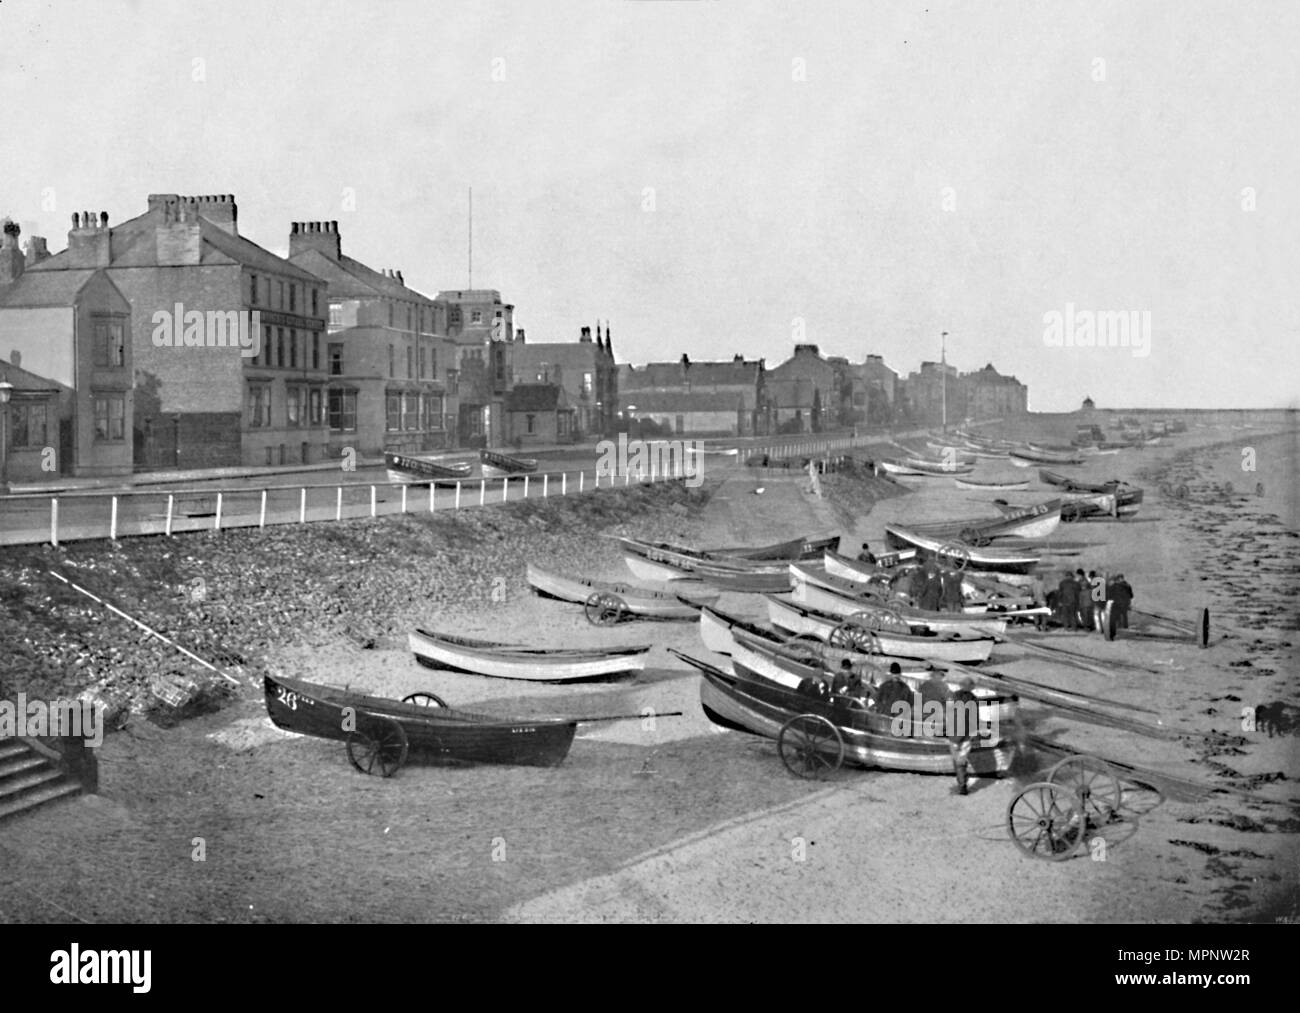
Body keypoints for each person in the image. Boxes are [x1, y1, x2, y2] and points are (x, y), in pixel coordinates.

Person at [947, 675, 980, 795]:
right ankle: (962, 784)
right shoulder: (974, 699)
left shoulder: (953, 696)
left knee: (956, 759)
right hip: (966, 735)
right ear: (971, 688)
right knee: (962, 760)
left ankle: (961, 784)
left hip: (954, 734)